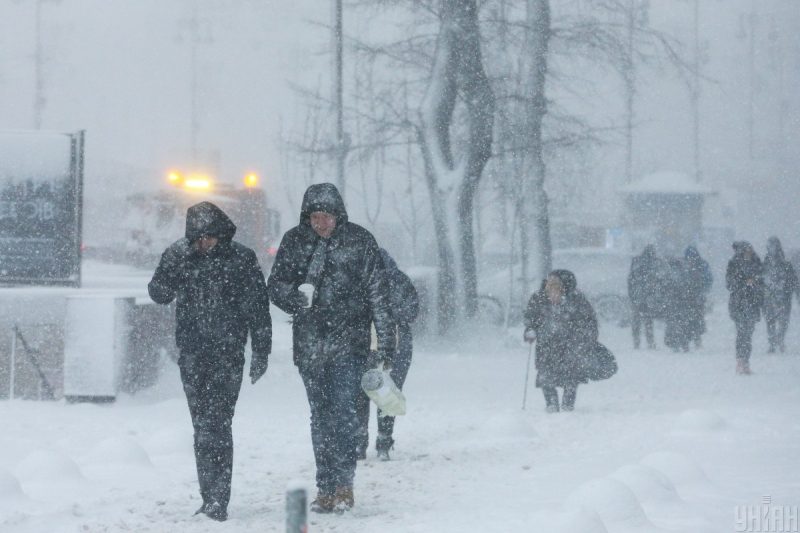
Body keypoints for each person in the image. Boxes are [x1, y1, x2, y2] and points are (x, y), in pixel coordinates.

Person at [267, 183, 394, 513]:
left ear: (339, 216)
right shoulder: (295, 242)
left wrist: (385, 342)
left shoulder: (360, 242)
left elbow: (379, 294)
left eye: (326, 217)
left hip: (349, 343)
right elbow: (276, 285)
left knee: (343, 412)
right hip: (310, 345)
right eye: (314, 217)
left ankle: (344, 483)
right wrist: (295, 299)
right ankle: (325, 485)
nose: (319, 223)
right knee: (320, 417)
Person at [148, 202, 272, 522]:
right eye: (197, 238)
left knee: (217, 424)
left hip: (228, 355)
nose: (203, 243)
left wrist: (261, 350)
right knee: (202, 426)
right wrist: (173, 261)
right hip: (192, 353)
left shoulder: (241, 259)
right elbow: (158, 293)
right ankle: (210, 496)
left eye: (208, 237)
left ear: (220, 234)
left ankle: (218, 499)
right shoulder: (182, 257)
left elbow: (258, 308)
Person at [356, 248, 419, 462]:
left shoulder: (398, 281)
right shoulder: (357, 282)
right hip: (364, 345)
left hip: (395, 345)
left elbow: (412, 311)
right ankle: (361, 442)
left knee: (387, 393)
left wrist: (385, 313)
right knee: (363, 393)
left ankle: (381, 441)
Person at [523, 270, 598, 412]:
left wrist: (584, 339)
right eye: (549, 284)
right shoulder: (539, 299)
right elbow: (530, 318)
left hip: (571, 345)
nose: (551, 287)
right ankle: (551, 403)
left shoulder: (576, 300)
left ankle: (568, 403)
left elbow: (589, 322)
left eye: (556, 284)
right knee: (546, 375)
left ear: (565, 286)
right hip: (546, 346)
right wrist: (530, 331)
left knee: (571, 376)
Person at [726, 241, 763, 374]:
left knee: (748, 334)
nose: (748, 254)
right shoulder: (734, 264)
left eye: (749, 251)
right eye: (746, 251)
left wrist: (755, 284)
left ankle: (745, 361)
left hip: (752, 304)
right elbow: (729, 284)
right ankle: (741, 360)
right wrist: (744, 283)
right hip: (739, 304)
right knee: (742, 333)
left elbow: (762, 282)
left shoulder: (756, 263)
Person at [762, 236, 798, 353]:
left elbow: (794, 281)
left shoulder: (785, 265)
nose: (772, 248)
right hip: (769, 297)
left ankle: (780, 339)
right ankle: (772, 342)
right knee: (770, 321)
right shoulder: (764, 264)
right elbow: (760, 281)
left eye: (774, 246)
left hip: (784, 298)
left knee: (783, 321)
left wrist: (797, 293)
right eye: (770, 246)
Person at [627, 245, 662, 350]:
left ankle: (636, 343)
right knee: (648, 322)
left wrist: (632, 295)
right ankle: (650, 343)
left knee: (637, 322)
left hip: (637, 298)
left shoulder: (637, 262)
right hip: (647, 298)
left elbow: (630, 280)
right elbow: (654, 281)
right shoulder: (652, 264)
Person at [683, 246, 713, 349]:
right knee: (689, 318)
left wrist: (702, 291)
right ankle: (689, 340)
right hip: (688, 297)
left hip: (696, 297)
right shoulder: (700, 265)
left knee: (696, 318)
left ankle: (696, 339)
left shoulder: (700, 265)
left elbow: (708, 279)